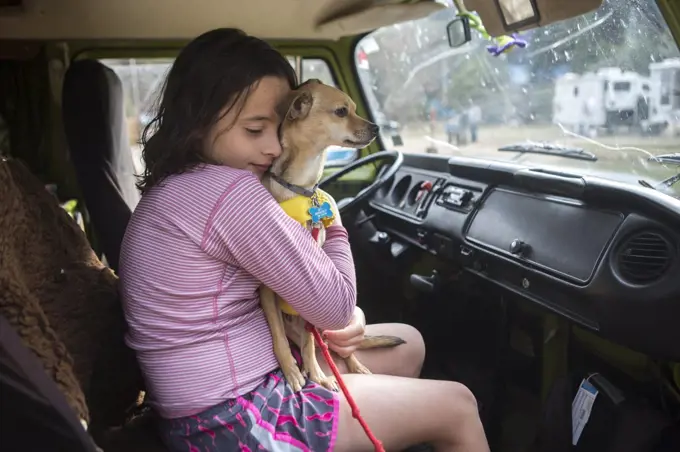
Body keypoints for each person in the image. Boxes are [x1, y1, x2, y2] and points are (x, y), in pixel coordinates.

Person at [119, 27, 489, 452]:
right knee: (458, 405)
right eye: (255, 131)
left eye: (279, 129)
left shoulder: (180, 185)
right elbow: (335, 307)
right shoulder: (227, 194)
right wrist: (330, 218)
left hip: (204, 403)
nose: (275, 148)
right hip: (233, 417)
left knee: (408, 343)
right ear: (197, 122)